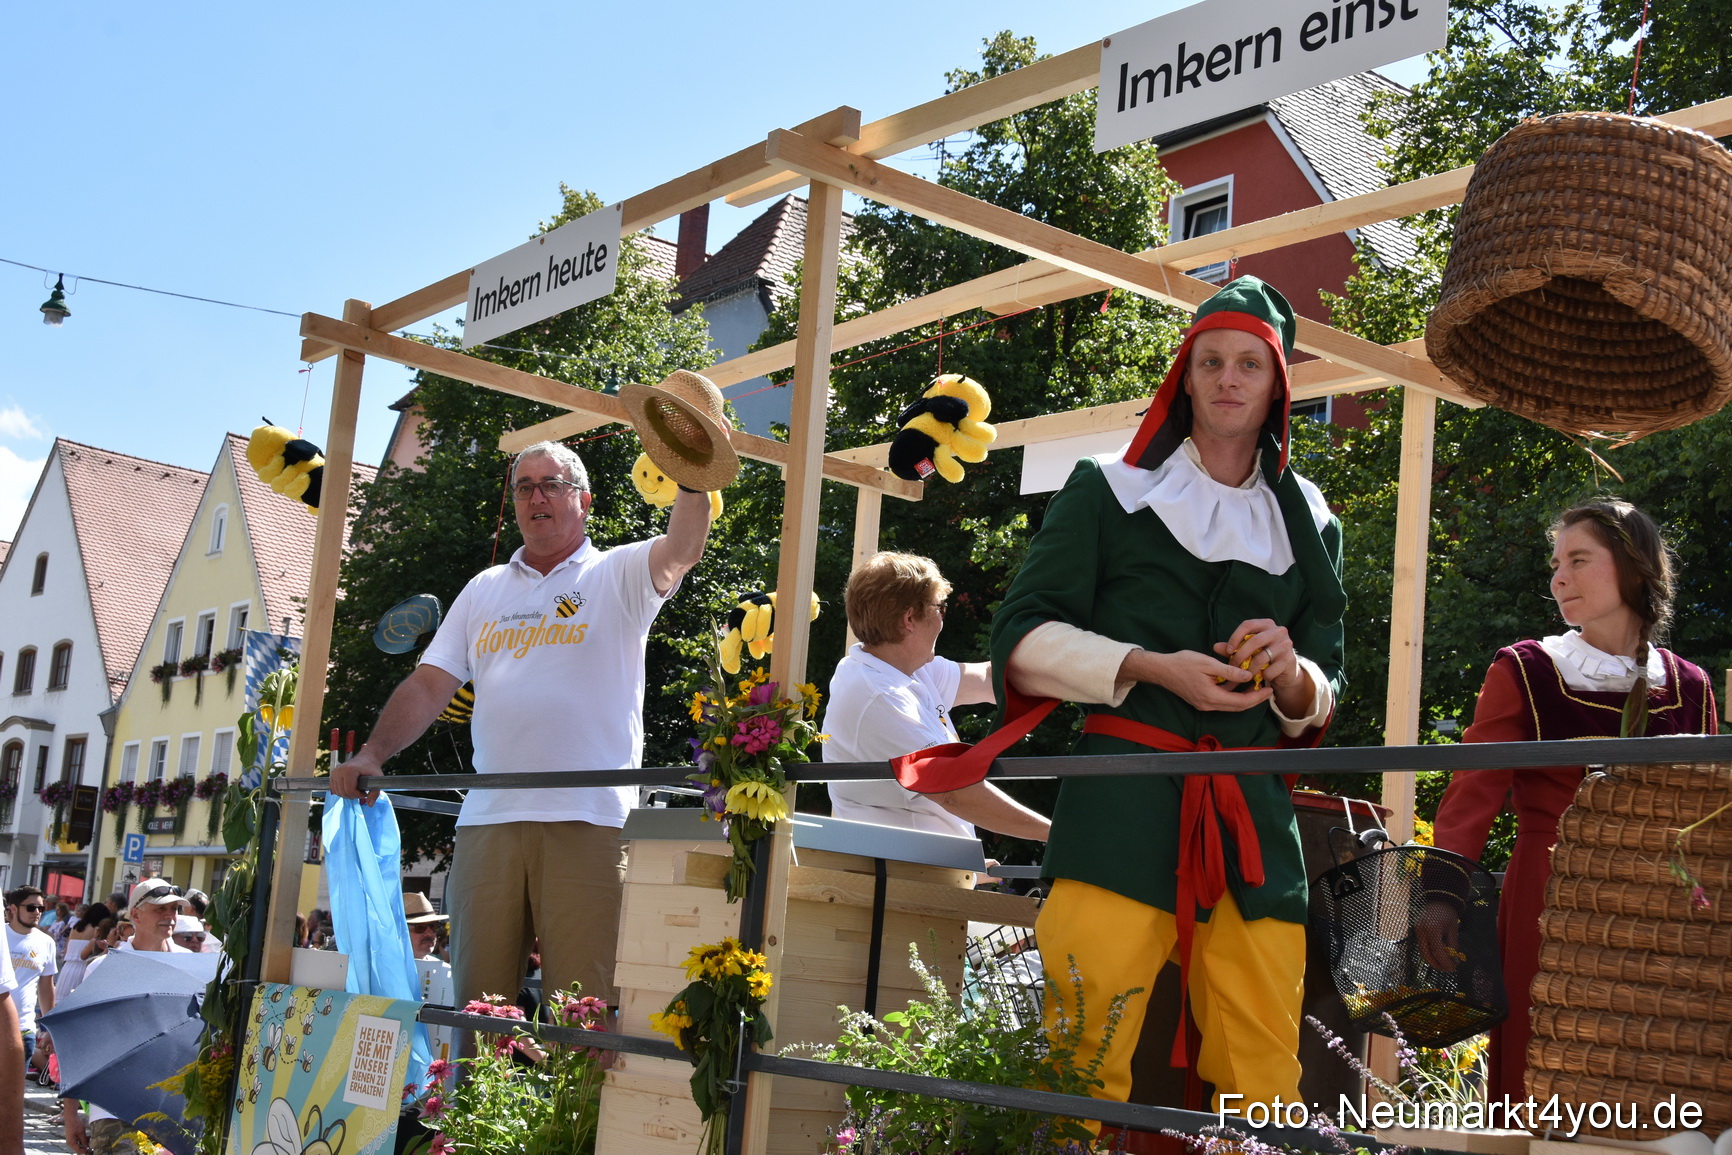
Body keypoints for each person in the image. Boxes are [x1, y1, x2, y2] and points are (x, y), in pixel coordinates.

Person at [902, 278, 1344, 1115]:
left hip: (1253, 825)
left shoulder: (1312, 520)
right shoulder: (1107, 488)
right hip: (1119, 810)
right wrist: (1150, 664)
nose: (1228, 378)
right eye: (1211, 360)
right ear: (1185, 373)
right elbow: (1020, 637)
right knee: (1079, 1052)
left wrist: (1289, 672)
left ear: (1277, 383)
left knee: (1267, 1078)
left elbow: (1326, 684)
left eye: (1250, 363)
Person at [330, 436, 722, 1013]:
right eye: (523, 487)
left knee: (587, 1012)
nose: (535, 496)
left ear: (583, 501)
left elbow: (685, 546)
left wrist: (691, 475)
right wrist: (372, 755)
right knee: (476, 1014)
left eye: (550, 484)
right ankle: (471, 1108)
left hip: (587, 818)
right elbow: (429, 685)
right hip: (490, 819)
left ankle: (581, 1107)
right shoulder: (484, 589)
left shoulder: (620, 572)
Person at [1426, 498, 1716, 1100]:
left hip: (1663, 906)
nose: (1559, 578)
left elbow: (1707, 817)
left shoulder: (1690, 685)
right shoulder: (1529, 669)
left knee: (1659, 1069)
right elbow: (1471, 795)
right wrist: (1440, 896)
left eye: (1579, 560)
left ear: (1634, 568)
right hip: (1550, 892)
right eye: (1556, 563)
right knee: (1549, 1064)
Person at [823, 552, 1050, 842]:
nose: (943, 619)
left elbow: (988, 680)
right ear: (909, 619)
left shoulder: (904, 669)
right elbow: (956, 794)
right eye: (939, 608)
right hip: (903, 875)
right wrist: (1056, 836)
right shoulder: (881, 695)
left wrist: (1088, 672)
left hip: (920, 867)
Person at [61, 879, 193, 1155]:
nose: (170, 916)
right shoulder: (105, 967)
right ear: (135, 915)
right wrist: (71, 1113)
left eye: (174, 909)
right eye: (160, 909)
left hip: (175, 1109)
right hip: (116, 1108)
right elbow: (81, 1043)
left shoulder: (191, 965)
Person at [5, 887, 57, 1073]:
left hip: (24, 1028)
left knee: (13, 1096)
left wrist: (50, 1028)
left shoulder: (46, 942)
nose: (36, 913)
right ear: (13, 908)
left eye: (40, 908)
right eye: (31, 908)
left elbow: (46, 987)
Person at [403, 893, 446, 962]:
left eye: (433, 926)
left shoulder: (443, 970)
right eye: (420, 927)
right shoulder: (382, 968)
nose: (429, 934)